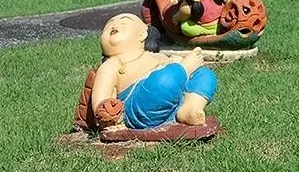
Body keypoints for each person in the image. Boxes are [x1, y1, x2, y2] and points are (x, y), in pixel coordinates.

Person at [89, 14, 217, 131]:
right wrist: (107, 116)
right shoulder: (111, 65)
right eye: (108, 26)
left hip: (172, 98)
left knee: (205, 75)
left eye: (124, 23)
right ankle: (184, 69)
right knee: (165, 79)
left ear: (142, 34)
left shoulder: (156, 56)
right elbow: (100, 99)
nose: (114, 25)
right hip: (138, 109)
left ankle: (190, 107)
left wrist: (183, 66)